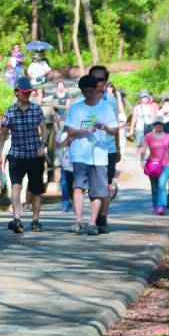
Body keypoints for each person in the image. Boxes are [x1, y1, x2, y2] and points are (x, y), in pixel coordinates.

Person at [64, 74, 118, 235]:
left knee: (98, 191)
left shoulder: (105, 107)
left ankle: (92, 223)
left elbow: (114, 130)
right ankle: (78, 220)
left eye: (90, 91)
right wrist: (84, 130)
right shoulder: (76, 107)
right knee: (78, 187)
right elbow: (70, 131)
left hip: (100, 155)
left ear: (96, 90)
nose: (88, 95)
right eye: (84, 92)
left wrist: (105, 128)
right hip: (80, 154)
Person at [0, 77, 48, 233]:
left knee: (36, 189)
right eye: (24, 92)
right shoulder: (9, 112)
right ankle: (17, 218)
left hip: (35, 154)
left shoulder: (36, 109)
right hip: (17, 154)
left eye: (29, 92)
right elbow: (3, 135)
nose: (27, 95)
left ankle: (35, 220)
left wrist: (43, 144)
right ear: (17, 93)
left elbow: (45, 130)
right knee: (16, 186)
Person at [88, 65, 121, 231]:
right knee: (92, 185)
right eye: (94, 78)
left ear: (106, 81)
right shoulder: (83, 99)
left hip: (108, 147)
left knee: (105, 184)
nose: (97, 82)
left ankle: (102, 217)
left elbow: (115, 127)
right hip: (88, 148)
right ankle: (94, 214)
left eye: (101, 79)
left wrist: (118, 148)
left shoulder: (111, 101)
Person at [139, 118, 169, 215]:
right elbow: (143, 149)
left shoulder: (167, 136)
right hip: (153, 164)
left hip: (166, 164)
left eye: (161, 125)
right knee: (154, 187)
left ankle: (161, 206)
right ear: (153, 126)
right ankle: (155, 206)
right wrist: (142, 160)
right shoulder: (149, 136)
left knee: (161, 185)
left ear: (163, 126)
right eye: (157, 124)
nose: (159, 126)